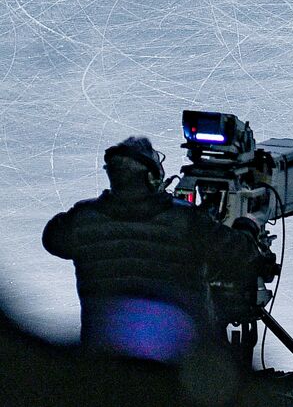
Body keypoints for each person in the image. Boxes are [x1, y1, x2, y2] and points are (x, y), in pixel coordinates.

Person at [43, 136, 266, 364]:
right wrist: (248, 225)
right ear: (151, 176)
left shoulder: (82, 219)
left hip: (103, 358)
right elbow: (241, 255)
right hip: (177, 363)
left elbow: (51, 239)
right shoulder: (186, 220)